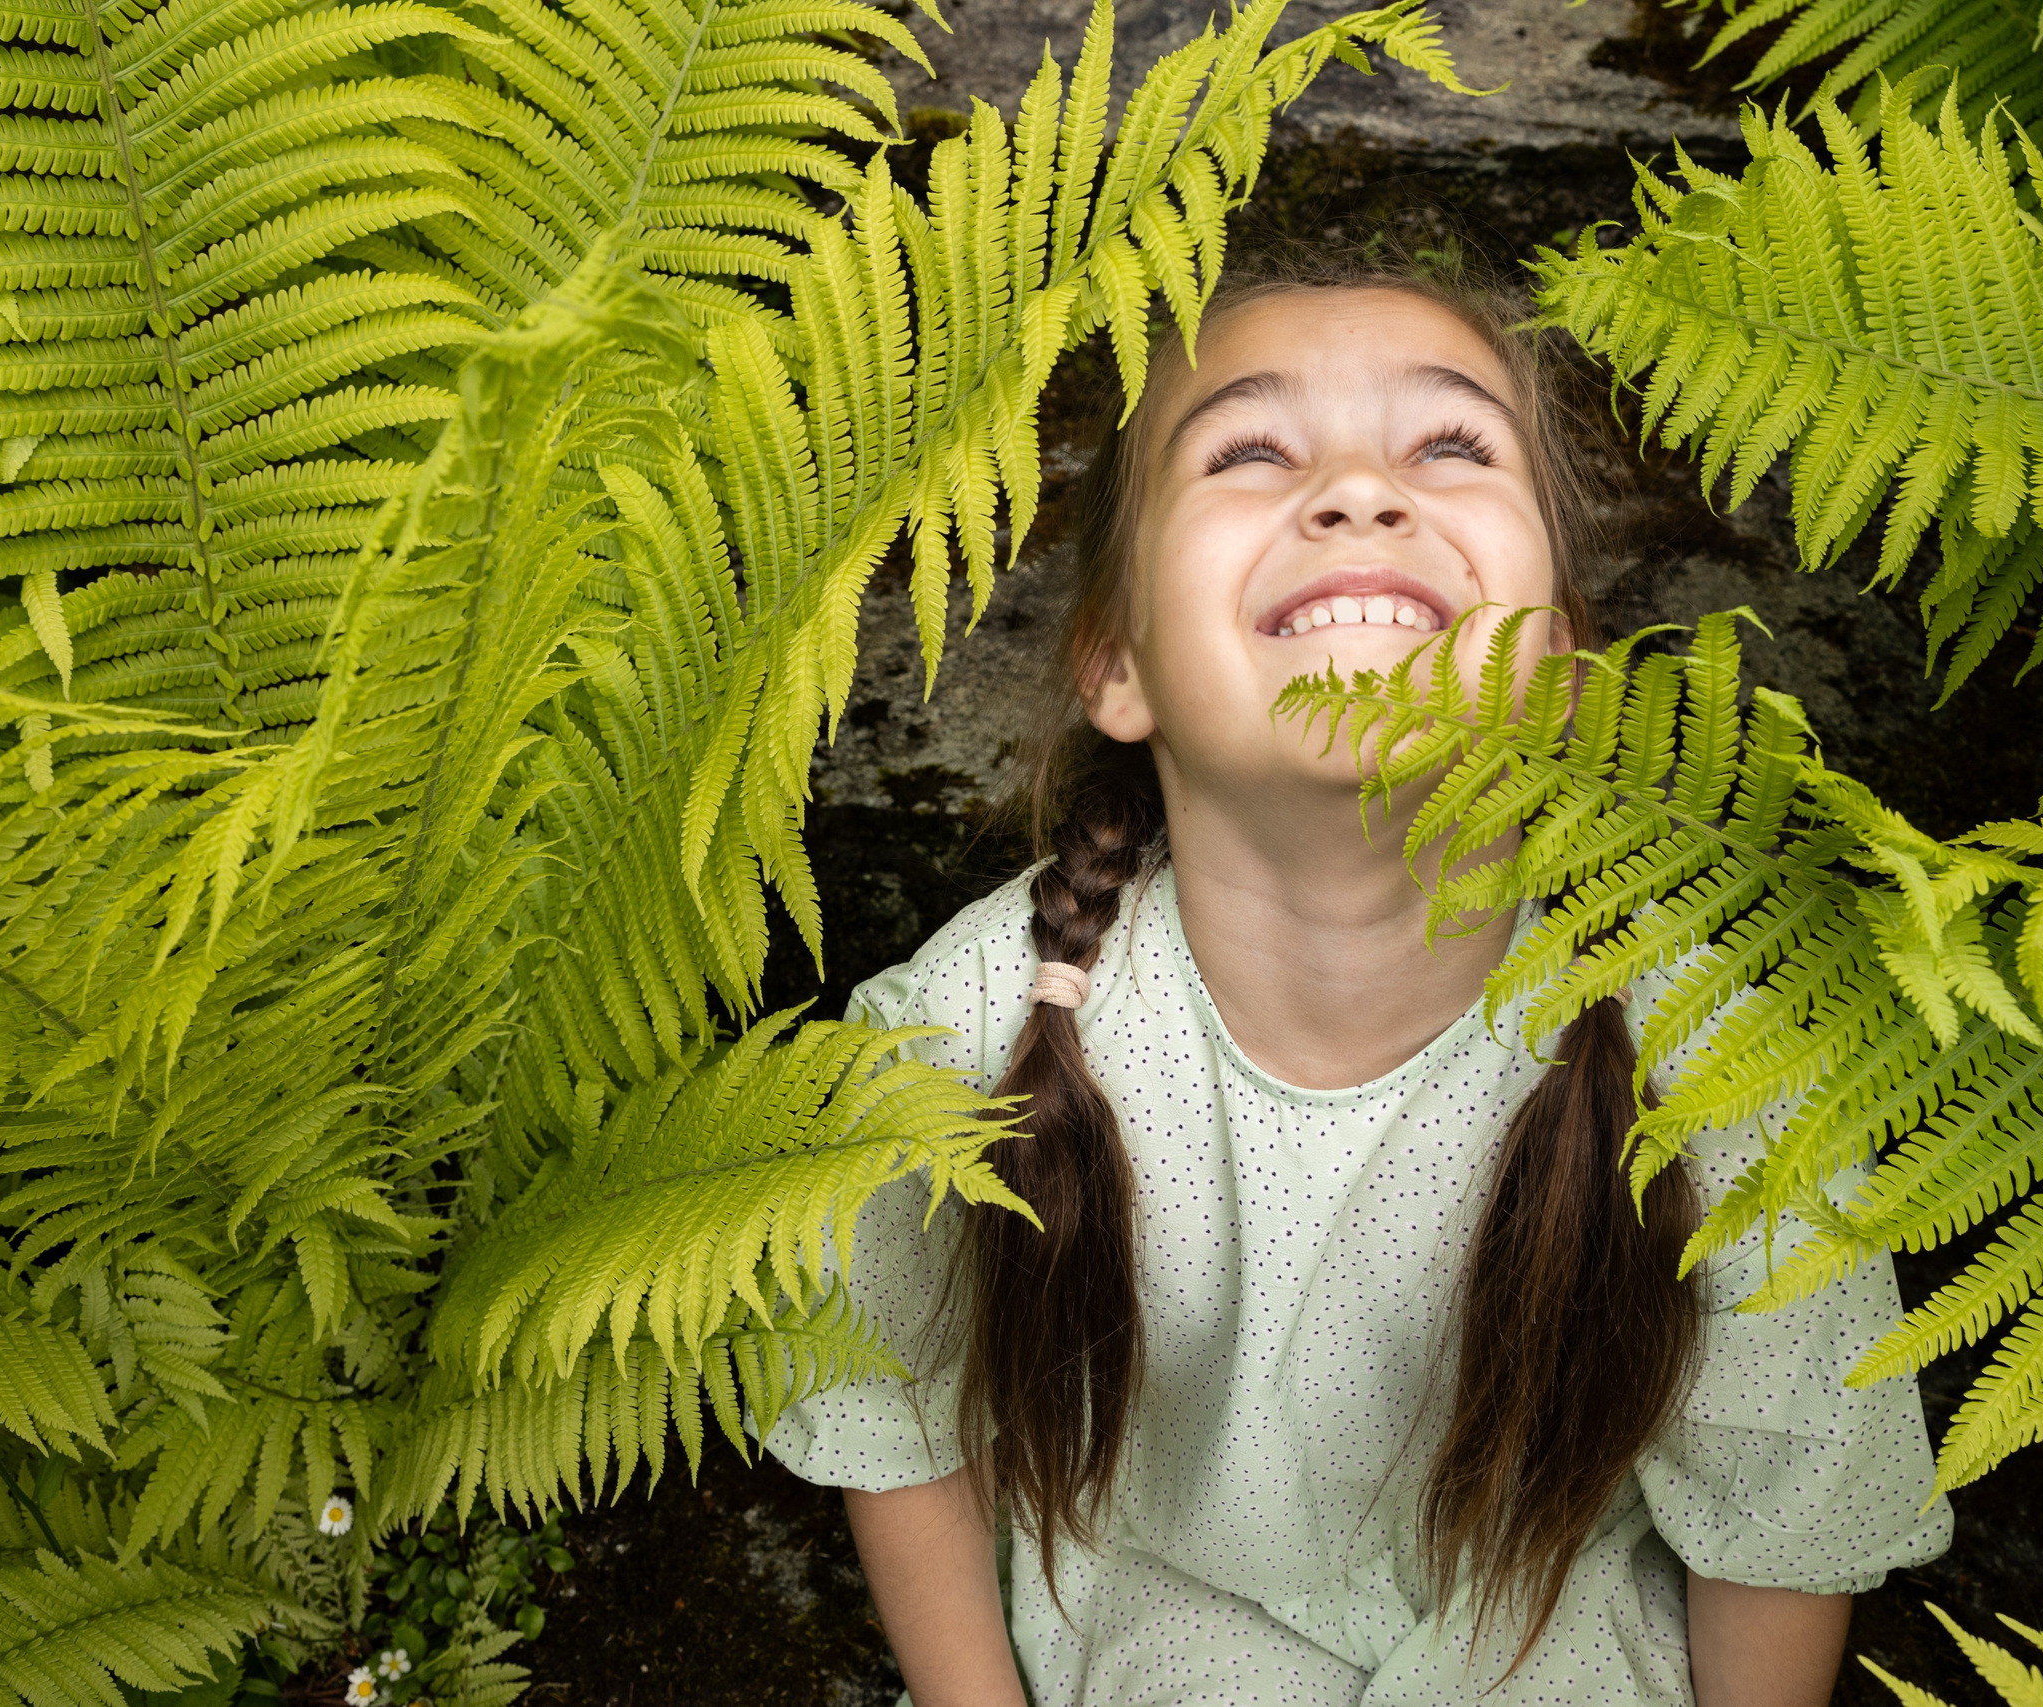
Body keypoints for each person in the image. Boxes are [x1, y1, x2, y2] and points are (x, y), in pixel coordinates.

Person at [764, 255, 1951, 1706]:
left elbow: (1781, 1513)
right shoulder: (963, 1038)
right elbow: (893, 1420)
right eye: (1249, 452)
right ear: (1117, 662)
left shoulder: (1719, 1067)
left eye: (1450, 445)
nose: (1358, 494)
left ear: (1562, 659)